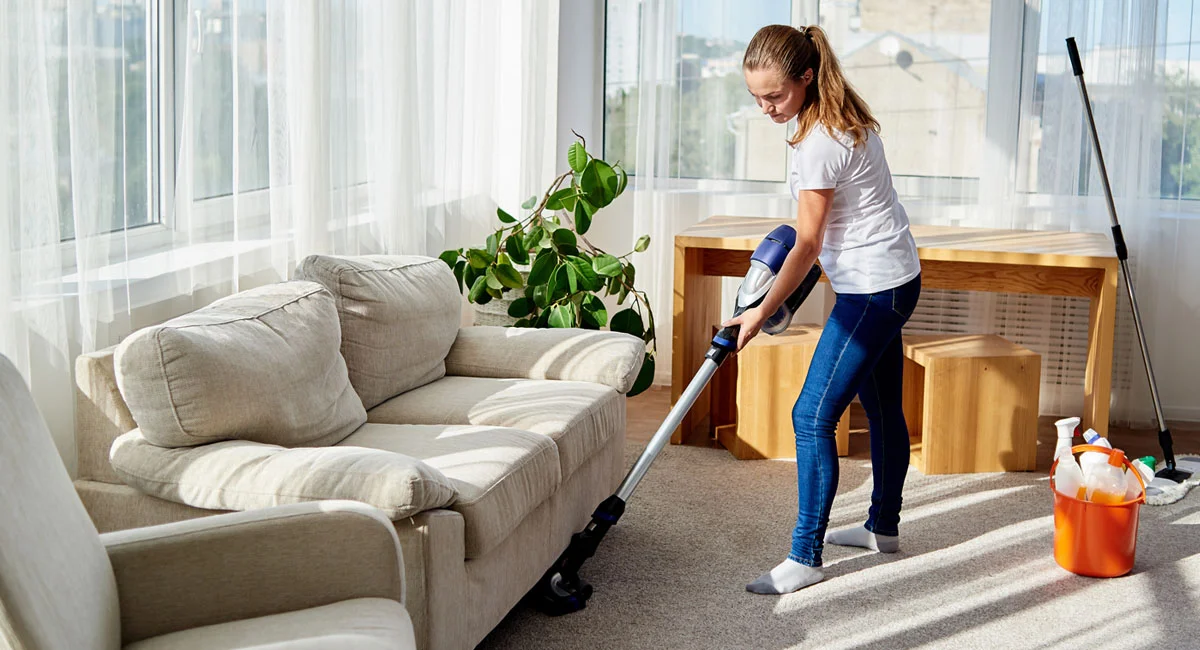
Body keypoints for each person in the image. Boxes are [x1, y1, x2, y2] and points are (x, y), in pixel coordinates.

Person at [723, 24, 923, 595]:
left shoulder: (819, 142)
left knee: (811, 417)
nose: (765, 108)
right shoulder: (838, 116)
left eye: (775, 95)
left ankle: (805, 555)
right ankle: (883, 526)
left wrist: (759, 312)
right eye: (756, 97)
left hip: (871, 292)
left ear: (806, 77)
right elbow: (820, 237)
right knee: (883, 406)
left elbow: (808, 244)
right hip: (896, 279)